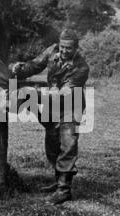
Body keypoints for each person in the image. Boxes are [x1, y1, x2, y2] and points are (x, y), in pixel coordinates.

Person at [12, 29, 90, 205]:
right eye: (62, 47)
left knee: (68, 145)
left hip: (71, 105)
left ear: (76, 48)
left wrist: (32, 94)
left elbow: (63, 94)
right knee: (52, 145)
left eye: (68, 48)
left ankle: (64, 190)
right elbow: (35, 65)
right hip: (52, 105)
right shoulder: (51, 50)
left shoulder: (81, 67)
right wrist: (20, 69)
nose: (64, 51)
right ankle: (57, 181)